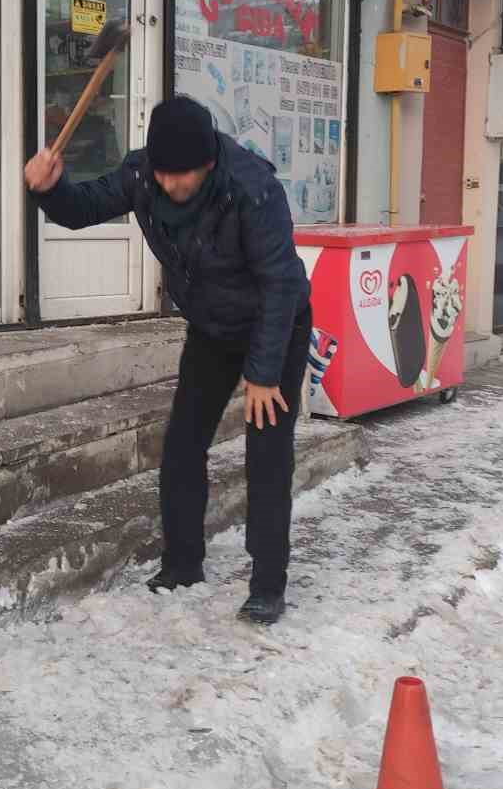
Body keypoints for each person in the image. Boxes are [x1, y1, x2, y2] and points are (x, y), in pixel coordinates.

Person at [24, 95, 311, 624]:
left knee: (266, 455)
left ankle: (268, 584)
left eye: (183, 176)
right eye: (164, 174)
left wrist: (264, 373)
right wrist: (49, 190)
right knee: (182, 444)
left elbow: (282, 282)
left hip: (275, 327)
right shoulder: (142, 175)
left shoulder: (251, 188)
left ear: (208, 164)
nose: (171, 186)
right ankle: (182, 563)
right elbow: (83, 207)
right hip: (211, 330)